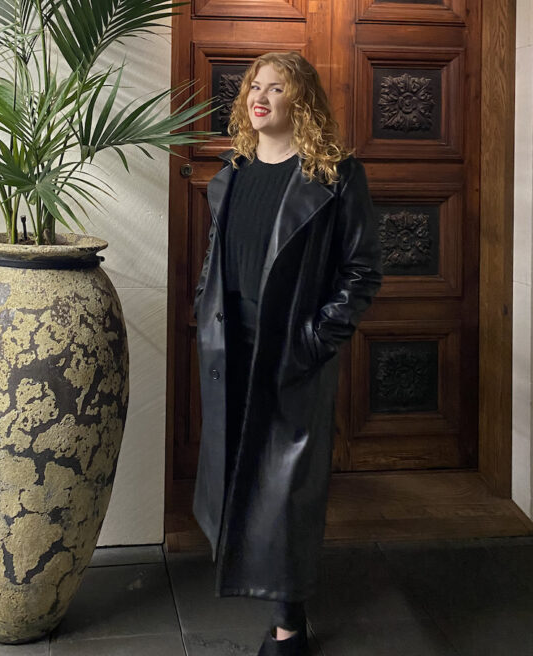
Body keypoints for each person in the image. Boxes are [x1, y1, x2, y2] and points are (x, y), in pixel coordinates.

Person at [192, 51, 383, 655]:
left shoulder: (335, 176)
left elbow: (362, 273)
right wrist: (204, 310)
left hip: (290, 353)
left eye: (276, 88)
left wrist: (314, 341)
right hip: (232, 344)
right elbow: (217, 261)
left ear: (300, 102)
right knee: (245, 472)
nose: (261, 96)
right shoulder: (234, 173)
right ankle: (255, 588)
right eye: (255, 86)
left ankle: (288, 626)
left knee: (288, 489)